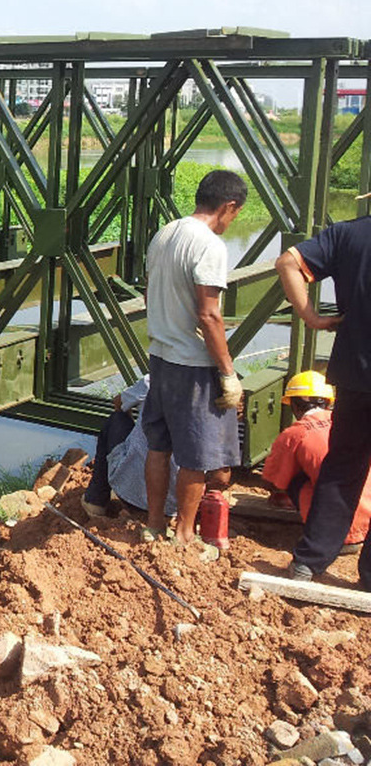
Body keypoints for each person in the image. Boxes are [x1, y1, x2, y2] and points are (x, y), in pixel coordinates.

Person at [141, 169, 248, 545]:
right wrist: (228, 372)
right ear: (228, 206)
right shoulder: (209, 245)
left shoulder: (165, 233)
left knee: (159, 445)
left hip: (161, 357)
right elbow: (209, 314)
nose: (232, 223)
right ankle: (184, 535)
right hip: (192, 365)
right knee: (196, 455)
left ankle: (154, 525)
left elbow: (149, 296)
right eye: (234, 215)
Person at [275, 213, 371, 587]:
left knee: (342, 468)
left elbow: (288, 262)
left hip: (354, 374)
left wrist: (311, 317)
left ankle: (309, 562)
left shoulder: (348, 234)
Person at [262, 370, 371, 552]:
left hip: (341, 533)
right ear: (328, 401)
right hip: (367, 525)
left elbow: (273, 481)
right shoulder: (353, 426)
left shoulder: (295, 433)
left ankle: (327, 538)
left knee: (297, 481)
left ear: (295, 407)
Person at [82, 374, 179, 518]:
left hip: (130, 494)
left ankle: (96, 501)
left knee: (117, 419)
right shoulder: (211, 391)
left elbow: (118, 403)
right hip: (179, 506)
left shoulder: (155, 379)